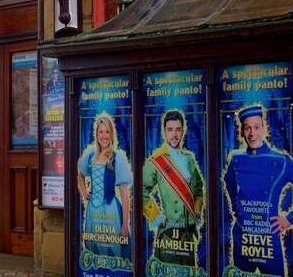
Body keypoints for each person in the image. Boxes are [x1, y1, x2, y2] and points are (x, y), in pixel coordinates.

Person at [222, 105, 293, 277]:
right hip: (243, 235)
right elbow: (229, 181)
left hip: (269, 237)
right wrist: (236, 205)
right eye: (247, 128)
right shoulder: (236, 159)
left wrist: (290, 218)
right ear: (242, 132)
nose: (252, 133)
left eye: (256, 127)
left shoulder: (281, 160)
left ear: (264, 129)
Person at [142, 110, 204, 266]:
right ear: (164, 132)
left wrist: (196, 209)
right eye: (170, 130)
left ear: (183, 131)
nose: (174, 135)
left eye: (178, 129)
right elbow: (141, 190)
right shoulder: (156, 160)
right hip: (168, 234)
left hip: (188, 233)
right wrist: (156, 216)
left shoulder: (189, 158)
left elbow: (198, 187)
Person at [78, 114, 132, 258]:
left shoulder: (117, 157)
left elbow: (125, 193)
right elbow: (80, 175)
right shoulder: (91, 154)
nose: (104, 135)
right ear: (96, 134)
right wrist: (85, 193)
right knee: (94, 247)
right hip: (92, 211)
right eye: (101, 131)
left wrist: (125, 226)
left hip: (110, 210)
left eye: (107, 131)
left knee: (112, 248)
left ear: (111, 134)